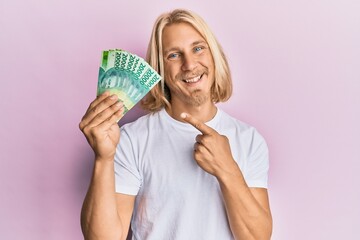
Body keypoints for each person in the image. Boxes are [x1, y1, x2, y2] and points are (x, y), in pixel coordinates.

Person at [79, 9, 272, 240]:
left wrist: (227, 169)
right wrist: (103, 158)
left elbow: (257, 237)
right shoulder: (131, 139)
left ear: (214, 56)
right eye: (174, 55)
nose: (189, 64)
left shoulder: (249, 139)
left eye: (198, 48)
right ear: (160, 69)